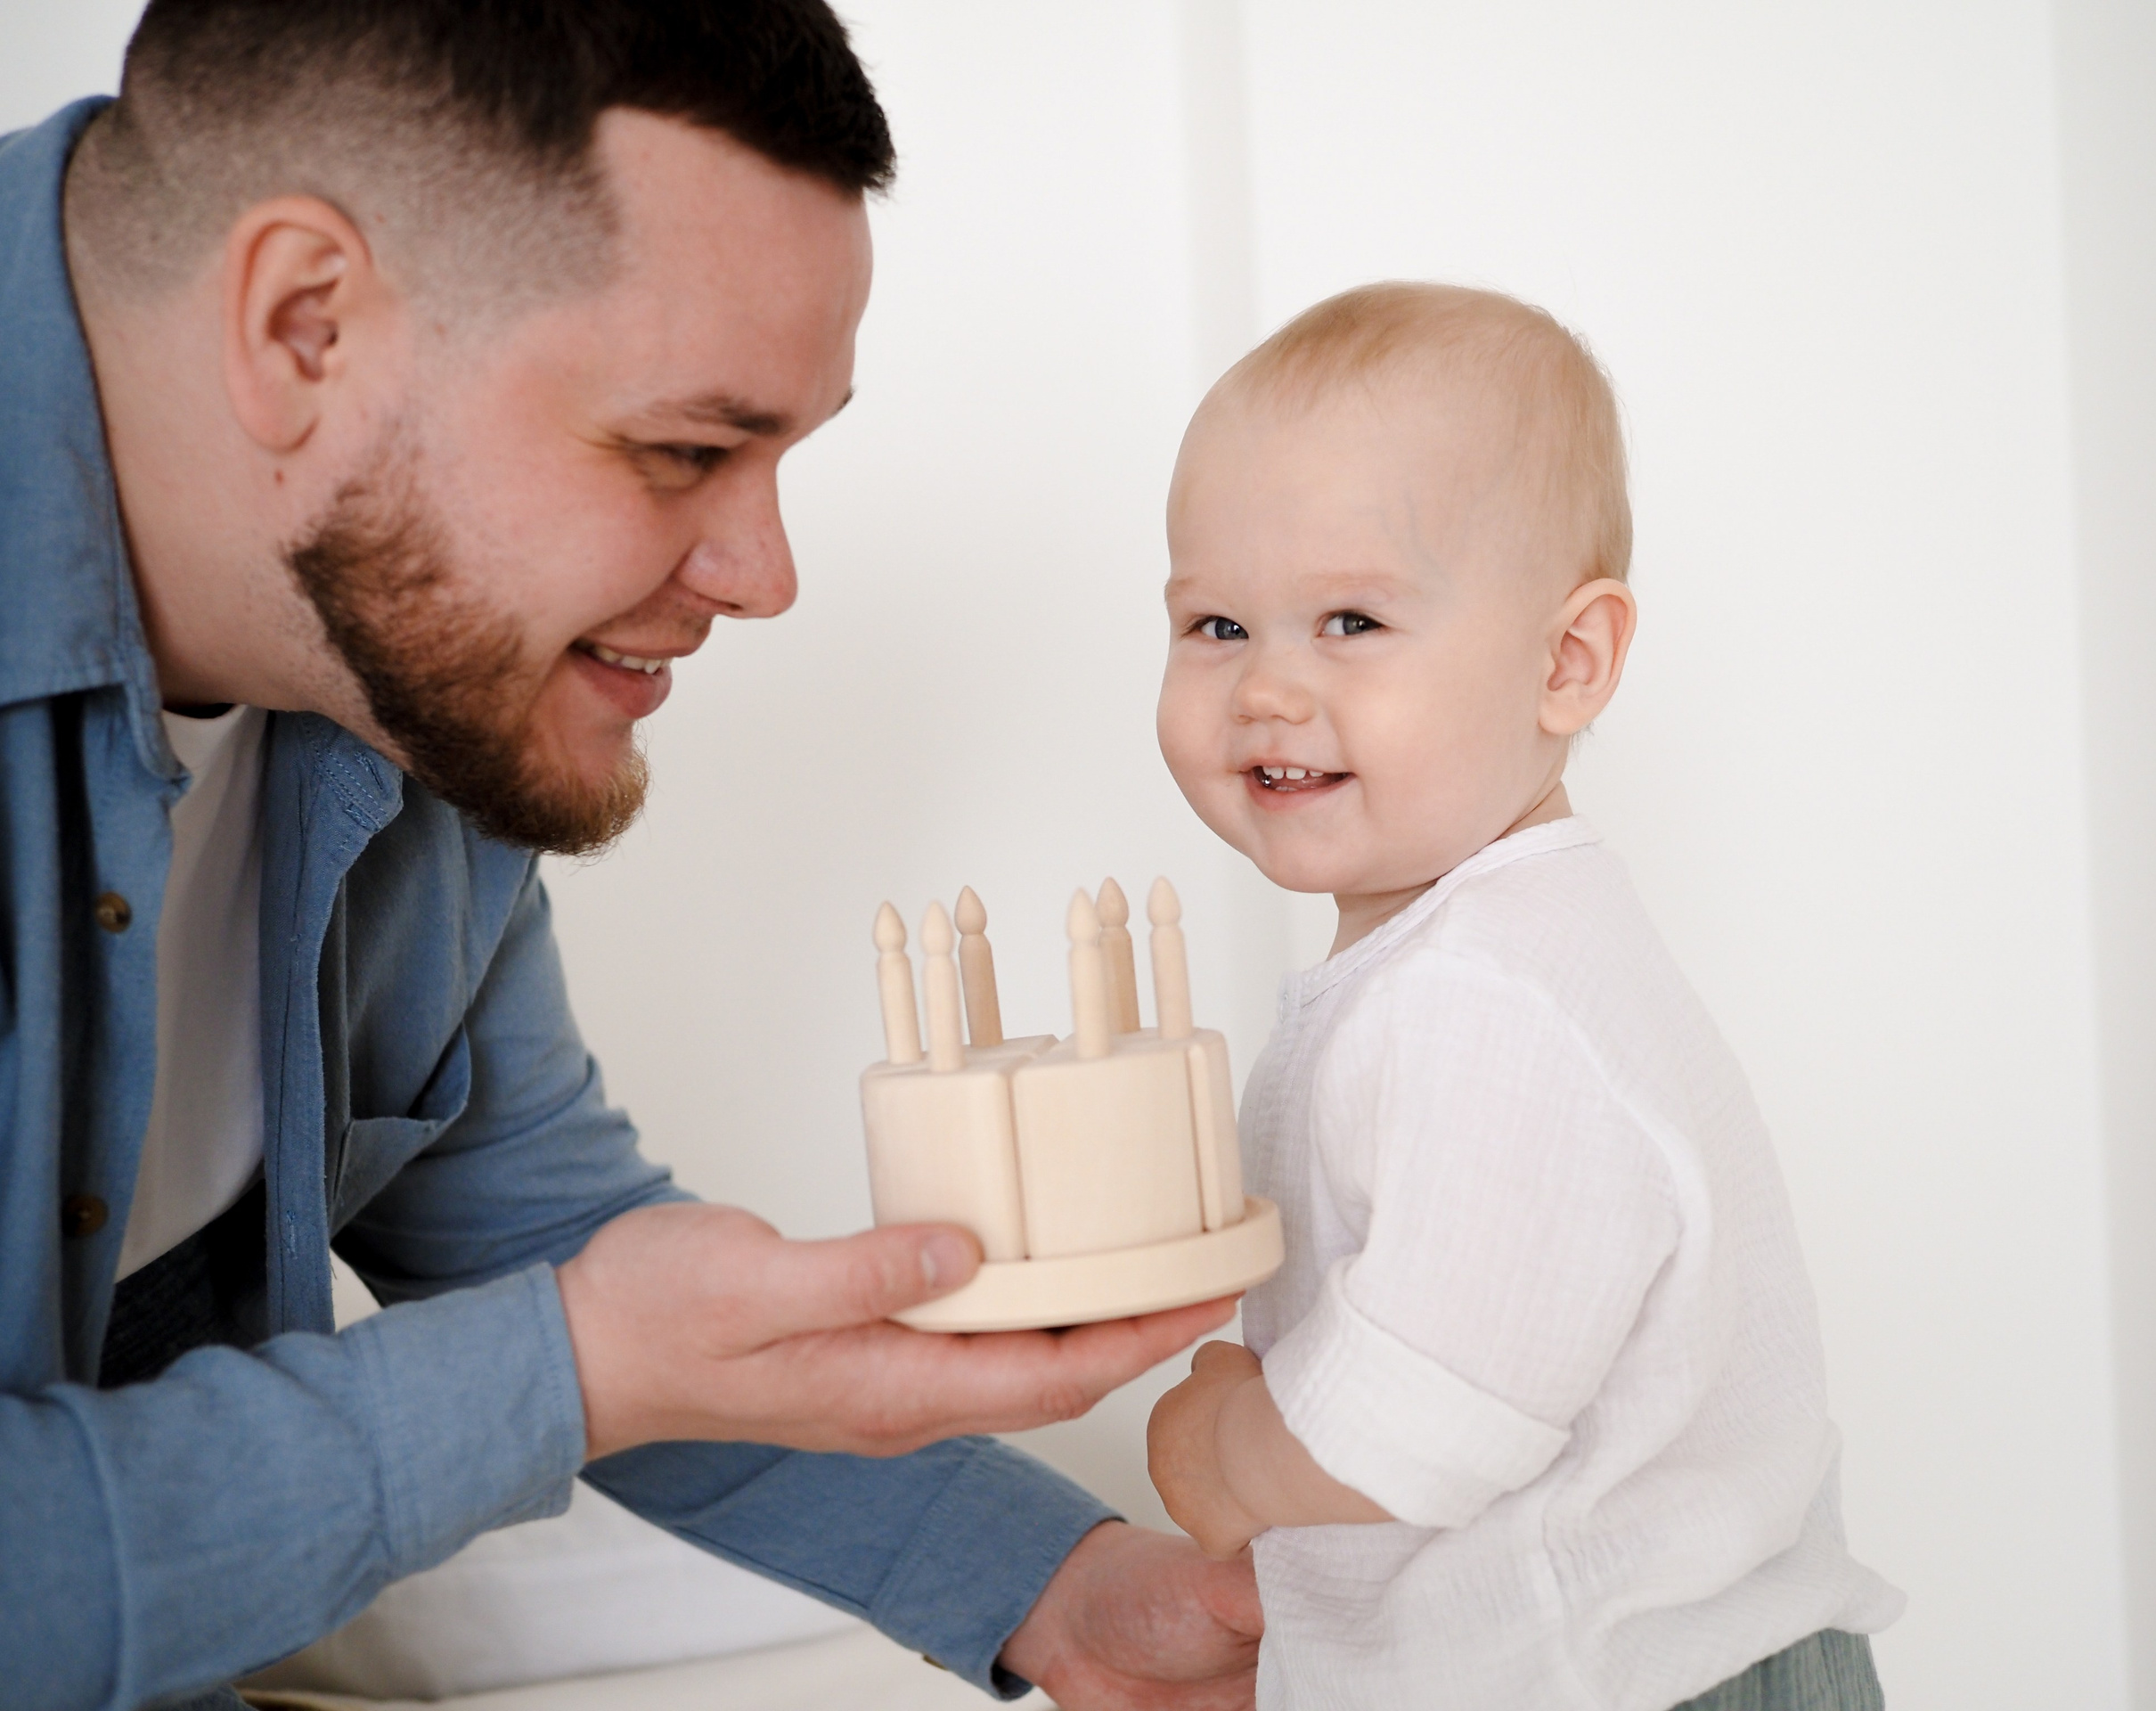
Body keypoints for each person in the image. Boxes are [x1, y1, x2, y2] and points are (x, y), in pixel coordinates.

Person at [0, 4, 1263, 1707]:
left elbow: (542, 1234)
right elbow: (576, 1334)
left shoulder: (401, 658)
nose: (763, 570)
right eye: (685, 449)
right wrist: (570, 1372)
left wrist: (1057, 1583)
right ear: (305, 327)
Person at [1143, 282, 1904, 1709]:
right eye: (1219, 625)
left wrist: (1223, 1452)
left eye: (1352, 620)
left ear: (1567, 662)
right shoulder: (1474, 956)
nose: (1267, 689)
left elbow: (1420, 1422)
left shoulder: (1486, 1000)